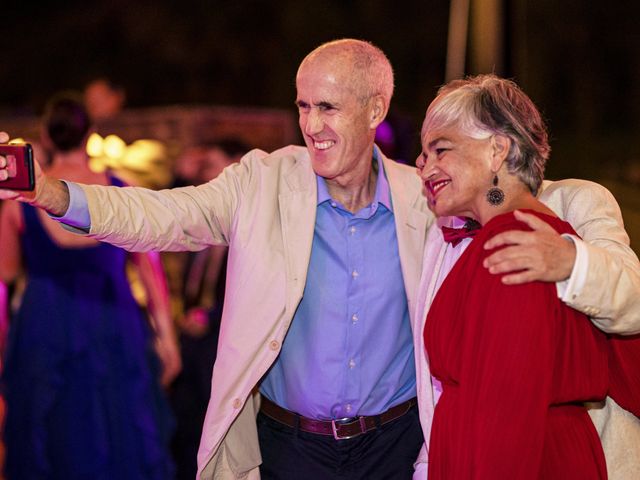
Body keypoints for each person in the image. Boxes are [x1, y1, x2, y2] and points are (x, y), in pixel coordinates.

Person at [0, 40, 638, 479]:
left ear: (375, 109)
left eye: (327, 106)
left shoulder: (434, 195)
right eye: (303, 105)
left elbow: (527, 195)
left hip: (399, 444)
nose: (310, 124)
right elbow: (161, 216)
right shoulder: (263, 182)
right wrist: (51, 192)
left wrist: (570, 255)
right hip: (290, 447)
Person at [416, 74, 640, 478]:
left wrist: (572, 263)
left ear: (497, 150)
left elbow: (508, 412)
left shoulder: (519, 240)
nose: (424, 166)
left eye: (440, 150)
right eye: (423, 154)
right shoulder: (489, 232)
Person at [0, 94, 180, 479]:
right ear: (90, 134)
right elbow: (151, 273)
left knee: (53, 431)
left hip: (45, 323)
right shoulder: (122, 190)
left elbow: (7, 270)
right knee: (122, 429)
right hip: (112, 320)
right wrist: (167, 338)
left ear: (46, 137)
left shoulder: (21, 202)